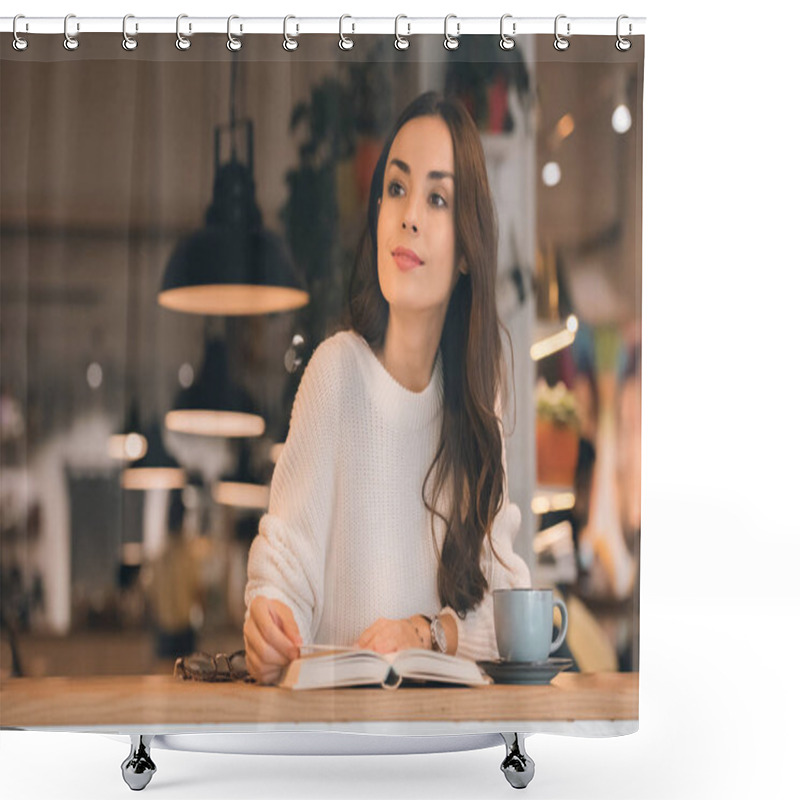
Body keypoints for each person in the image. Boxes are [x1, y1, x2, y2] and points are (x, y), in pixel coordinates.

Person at [244, 91, 531, 684]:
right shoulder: (337, 374)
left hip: (448, 759)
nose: (409, 216)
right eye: (396, 189)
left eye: (437, 198)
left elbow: (507, 612)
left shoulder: (479, 406)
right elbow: (282, 574)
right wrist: (267, 621)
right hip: (338, 753)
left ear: (466, 252)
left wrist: (425, 633)